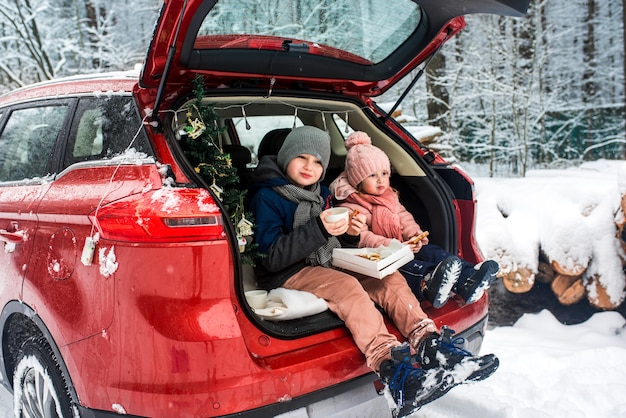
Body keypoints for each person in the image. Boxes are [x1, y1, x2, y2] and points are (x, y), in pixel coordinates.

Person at [249, 126, 499, 417]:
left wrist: (352, 235)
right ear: (284, 158)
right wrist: (319, 228)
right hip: (291, 270)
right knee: (347, 287)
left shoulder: (323, 193)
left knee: (387, 277)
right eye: (301, 157)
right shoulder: (267, 197)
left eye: (318, 161)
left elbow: (334, 241)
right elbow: (271, 257)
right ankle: (394, 371)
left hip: (327, 258)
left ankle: (430, 343)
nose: (310, 166)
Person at [330, 131, 499, 309]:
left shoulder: (390, 197)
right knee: (409, 266)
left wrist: (414, 234)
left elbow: (404, 217)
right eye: (372, 176)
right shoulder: (351, 206)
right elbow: (363, 238)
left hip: (404, 245)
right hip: (382, 256)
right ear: (358, 180)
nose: (381, 180)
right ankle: (429, 284)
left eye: (384, 173)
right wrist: (395, 246)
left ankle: (468, 278)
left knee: (432, 251)